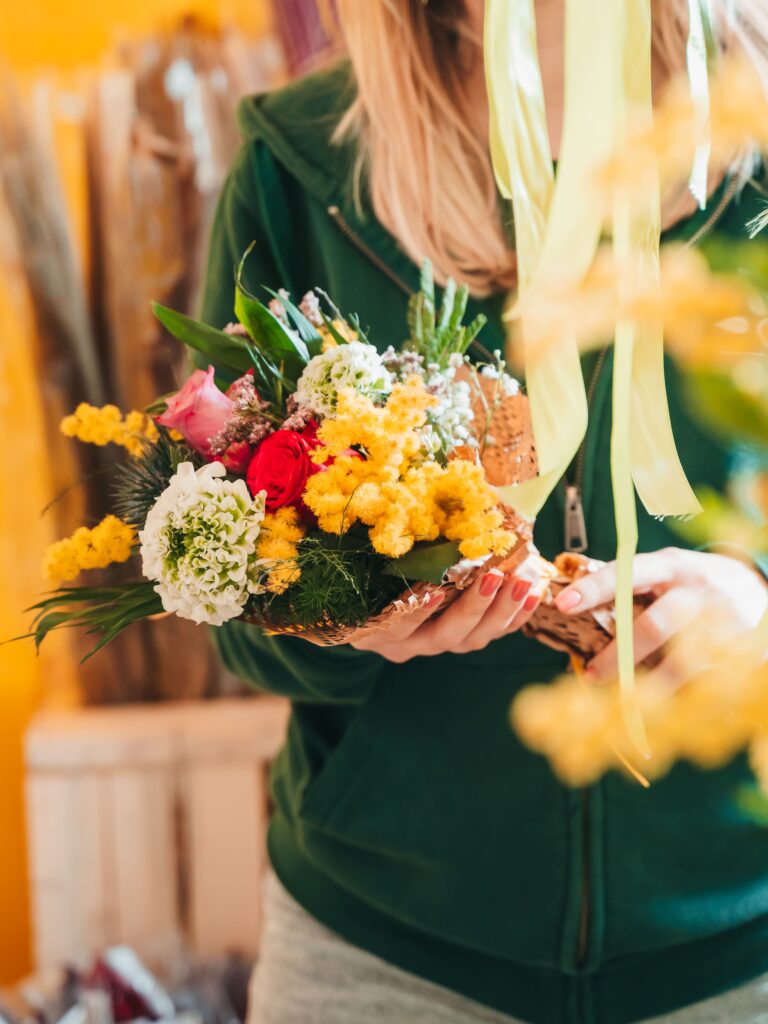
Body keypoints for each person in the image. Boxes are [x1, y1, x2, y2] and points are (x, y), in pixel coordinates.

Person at [199, 2, 768, 1021]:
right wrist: (342, 624)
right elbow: (224, 607)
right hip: (384, 959)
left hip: (742, 953)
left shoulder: (752, 139)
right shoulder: (297, 171)